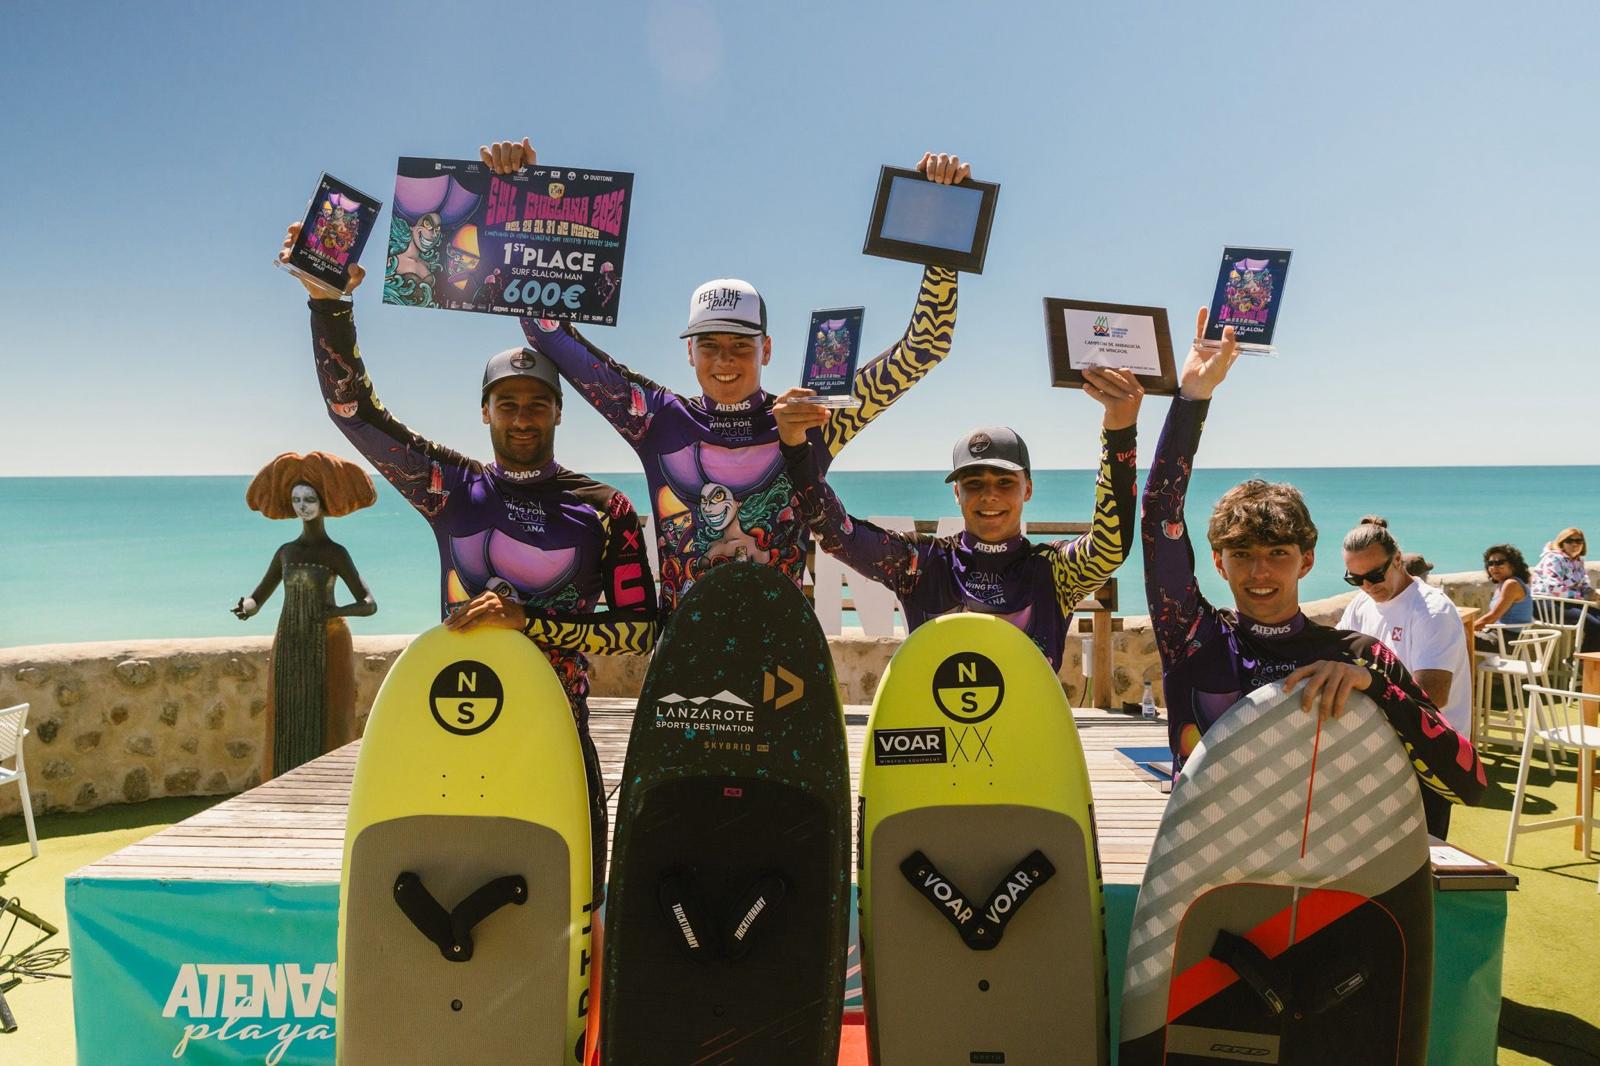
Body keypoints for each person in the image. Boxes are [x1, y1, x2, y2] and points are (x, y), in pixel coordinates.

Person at [279, 224, 658, 895]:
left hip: (557, 736)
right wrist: (327, 305)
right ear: (484, 411)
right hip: (455, 732)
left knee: (578, 903)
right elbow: (354, 412)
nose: (521, 418)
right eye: (506, 404)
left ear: (558, 414)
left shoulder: (606, 509)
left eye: (536, 405)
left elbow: (642, 630)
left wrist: (534, 624)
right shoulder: (450, 490)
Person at [482, 136, 970, 617]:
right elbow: (547, 334)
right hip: (682, 659)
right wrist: (524, 193)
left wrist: (939, 219)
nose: (725, 360)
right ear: (689, 353)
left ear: (767, 349)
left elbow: (925, 348)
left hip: (782, 660)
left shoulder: (811, 417)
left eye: (741, 345)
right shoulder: (654, 418)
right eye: (710, 345)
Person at [1142, 309, 1485, 828]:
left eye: (1278, 553)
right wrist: (1192, 398)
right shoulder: (1195, 640)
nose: (1260, 572)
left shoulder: (1358, 656)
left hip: (1332, 885)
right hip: (1212, 874)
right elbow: (1159, 516)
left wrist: (1374, 687)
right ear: (1218, 562)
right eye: (1242, 555)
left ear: (1306, 561)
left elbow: (1467, 782)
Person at [770, 369, 1143, 671]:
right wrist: (794, 445)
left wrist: (1119, 429)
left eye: (1005, 482)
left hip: (1029, 748)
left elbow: (1110, 547)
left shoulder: (1054, 572)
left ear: (1027, 489)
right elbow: (838, 536)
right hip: (940, 754)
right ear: (956, 493)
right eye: (974, 483)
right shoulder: (921, 563)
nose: (989, 495)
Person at [234, 451, 377, 778]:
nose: (302, 505)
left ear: (323, 501)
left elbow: (368, 603)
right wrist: (247, 607)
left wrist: (336, 612)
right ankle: (281, 785)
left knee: (327, 714)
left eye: (309, 498)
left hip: (326, 643)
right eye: (297, 499)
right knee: (286, 714)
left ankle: (325, 783)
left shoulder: (335, 553)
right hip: (288, 643)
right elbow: (260, 594)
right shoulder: (286, 552)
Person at [1336, 517, 1473, 837]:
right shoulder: (1362, 603)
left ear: (1398, 560)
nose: (1368, 586)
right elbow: (1334, 652)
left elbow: (1432, 696)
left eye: (1374, 575)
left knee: (1423, 861)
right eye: (1355, 579)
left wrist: (1365, 681)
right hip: (1380, 751)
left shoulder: (1432, 611)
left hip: (1427, 759)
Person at [1530, 527, 1600, 651]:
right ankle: (1581, 663)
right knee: (1596, 625)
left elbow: (1583, 584)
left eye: (1579, 541)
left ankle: (1586, 663)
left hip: (1567, 604)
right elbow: (1553, 588)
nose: (1575, 544)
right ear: (1562, 543)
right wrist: (1583, 597)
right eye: (1570, 540)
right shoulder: (1554, 558)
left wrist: (1591, 593)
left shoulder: (1578, 562)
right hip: (1546, 605)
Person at [1472, 544, 1533, 652]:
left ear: (1513, 565)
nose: (1494, 567)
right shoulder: (1503, 584)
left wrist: (1465, 628)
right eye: (1490, 563)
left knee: (1455, 639)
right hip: (1497, 634)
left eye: (1499, 562)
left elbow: (1492, 617)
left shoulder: (1511, 584)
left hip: (1506, 641)